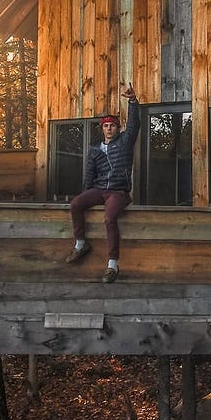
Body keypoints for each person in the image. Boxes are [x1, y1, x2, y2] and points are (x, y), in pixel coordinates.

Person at [65, 83, 140, 283]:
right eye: (106, 126)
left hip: (118, 192)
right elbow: (89, 174)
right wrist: (86, 195)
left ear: (117, 128)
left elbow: (134, 125)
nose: (109, 128)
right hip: (99, 189)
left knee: (109, 219)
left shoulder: (124, 142)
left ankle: (112, 265)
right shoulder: (95, 149)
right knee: (75, 204)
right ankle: (81, 244)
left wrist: (132, 101)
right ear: (102, 129)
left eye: (112, 125)